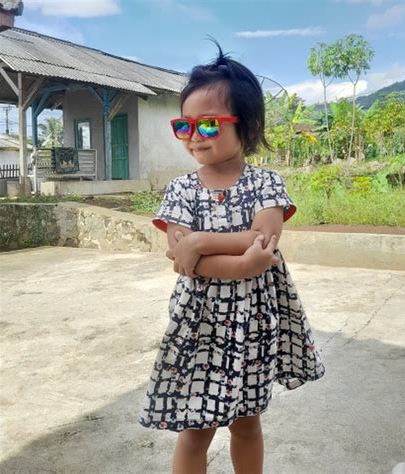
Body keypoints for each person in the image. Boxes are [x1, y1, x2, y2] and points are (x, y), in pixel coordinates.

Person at [138, 40, 325, 474]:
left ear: (248, 124)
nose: (193, 137)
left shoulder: (266, 184)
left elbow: (263, 237)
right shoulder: (181, 189)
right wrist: (240, 264)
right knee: (195, 428)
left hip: (252, 325)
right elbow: (183, 259)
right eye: (184, 126)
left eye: (208, 125)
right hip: (198, 325)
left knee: (246, 424)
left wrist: (201, 241)